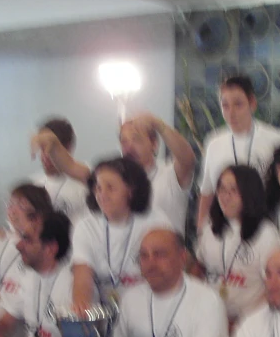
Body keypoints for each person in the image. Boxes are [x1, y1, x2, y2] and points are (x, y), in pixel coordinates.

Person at [103, 229, 226, 337]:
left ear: (182, 257)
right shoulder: (131, 297)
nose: (150, 263)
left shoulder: (206, 300)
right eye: (144, 256)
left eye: (159, 254)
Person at [31, 113, 196, 232]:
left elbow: (187, 158)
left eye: (136, 139)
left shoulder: (169, 174)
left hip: (164, 261)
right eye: (124, 141)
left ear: (154, 144)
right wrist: (52, 143)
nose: (128, 146)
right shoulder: (112, 177)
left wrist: (158, 124)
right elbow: (70, 166)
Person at [0, 210, 83, 337]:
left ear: (50, 248)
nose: (18, 245)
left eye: (27, 239)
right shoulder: (28, 276)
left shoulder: (73, 287)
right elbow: (6, 321)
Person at [71, 157, 171, 308]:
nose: (102, 194)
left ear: (131, 190)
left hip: (150, 310)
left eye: (110, 188)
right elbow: (82, 276)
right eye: (98, 188)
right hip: (104, 312)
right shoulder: (85, 226)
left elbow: (168, 273)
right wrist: (81, 307)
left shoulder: (156, 222)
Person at [197, 76, 280, 230]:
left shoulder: (275, 138)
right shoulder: (213, 142)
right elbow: (207, 191)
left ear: (252, 104)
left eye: (238, 104)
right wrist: (200, 229)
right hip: (225, 224)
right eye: (225, 105)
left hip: (265, 221)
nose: (231, 112)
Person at [195, 166, 280, 330]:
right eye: (221, 189)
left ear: (249, 193)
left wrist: (242, 321)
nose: (225, 197)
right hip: (210, 318)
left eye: (233, 190)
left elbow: (273, 286)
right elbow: (199, 267)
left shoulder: (266, 233)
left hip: (249, 322)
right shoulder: (210, 227)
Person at [0, 184, 52, 337]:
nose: (13, 210)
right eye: (10, 204)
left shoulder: (39, 249)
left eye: (21, 205)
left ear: (38, 213)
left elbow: (13, 314)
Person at [30, 117, 89, 223]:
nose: (45, 156)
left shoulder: (86, 180)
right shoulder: (34, 184)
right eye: (41, 149)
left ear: (67, 148)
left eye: (50, 150)